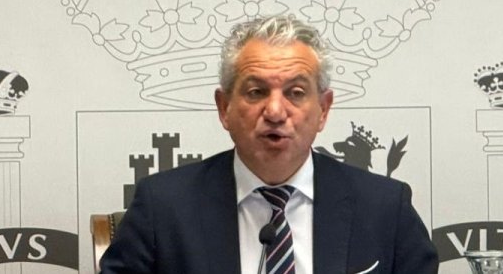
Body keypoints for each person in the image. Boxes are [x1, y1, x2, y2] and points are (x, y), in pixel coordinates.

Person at [98, 14, 439, 274]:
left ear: (323, 109)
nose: (275, 111)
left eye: (296, 92)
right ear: (224, 108)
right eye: (256, 91)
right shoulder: (163, 208)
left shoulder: (385, 209)